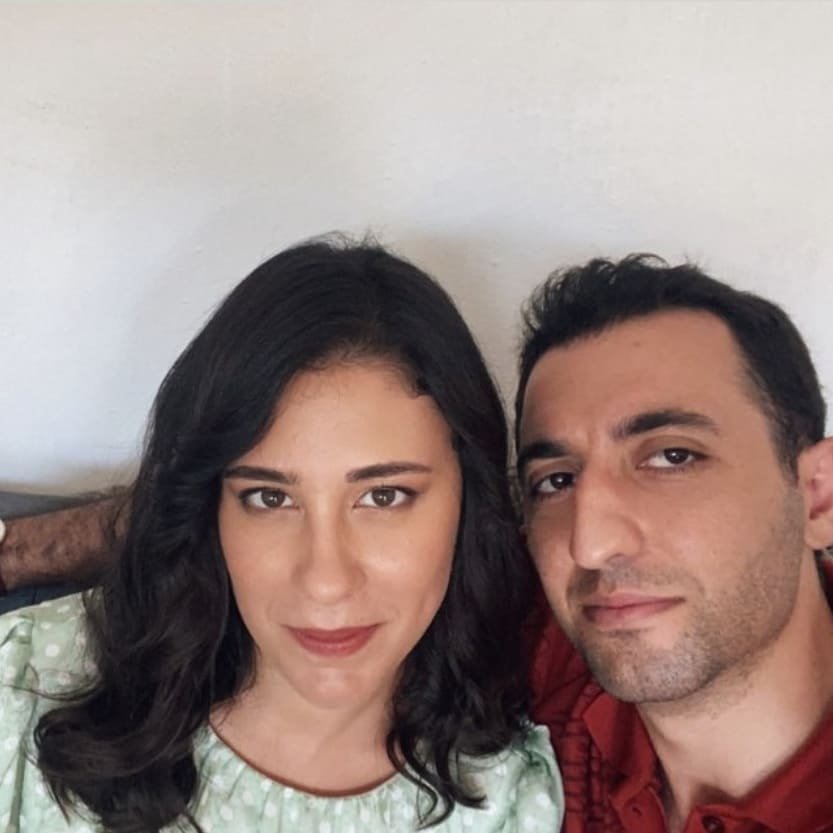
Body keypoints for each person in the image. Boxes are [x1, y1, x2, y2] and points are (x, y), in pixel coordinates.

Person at [0, 239, 562, 833]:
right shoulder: (20, 683)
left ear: (470, 501)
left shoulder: (515, 801)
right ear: (211, 508)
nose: (325, 581)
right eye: (270, 498)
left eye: (383, 496)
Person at [516, 255, 833, 833]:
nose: (591, 545)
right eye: (556, 481)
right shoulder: (525, 668)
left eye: (671, 457)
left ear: (817, 498)